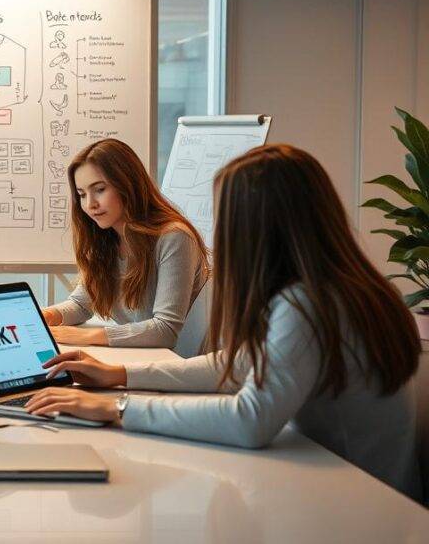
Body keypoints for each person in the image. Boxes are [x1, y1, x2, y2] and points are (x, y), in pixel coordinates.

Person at [26, 144, 422, 501]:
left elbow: (250, 420)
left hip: (361, 503)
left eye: (225, 216)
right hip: (347, 483)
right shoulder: (334, 286)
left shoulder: (306, 302)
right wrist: (118, 376)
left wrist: (118, 409)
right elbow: (238, 363)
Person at [43, 138, 209, 347]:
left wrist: (88, 337)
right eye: (82, 194)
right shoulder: (105, 239)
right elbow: (81, 304)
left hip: (176, 365)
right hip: (139, 358)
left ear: (127, 184)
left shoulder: (174, 238)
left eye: (100, 189)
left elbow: (165, 329)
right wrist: (45, 316)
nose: (90, 204)